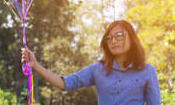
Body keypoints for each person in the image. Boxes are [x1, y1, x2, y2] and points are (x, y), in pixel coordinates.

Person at [21, 20, 161, 105]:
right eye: (109, 38)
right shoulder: (97, 69)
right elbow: (64, 83)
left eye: (119, 35)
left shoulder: (147, 71)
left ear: (132, 38)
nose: (113, 41)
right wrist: (36, 65)